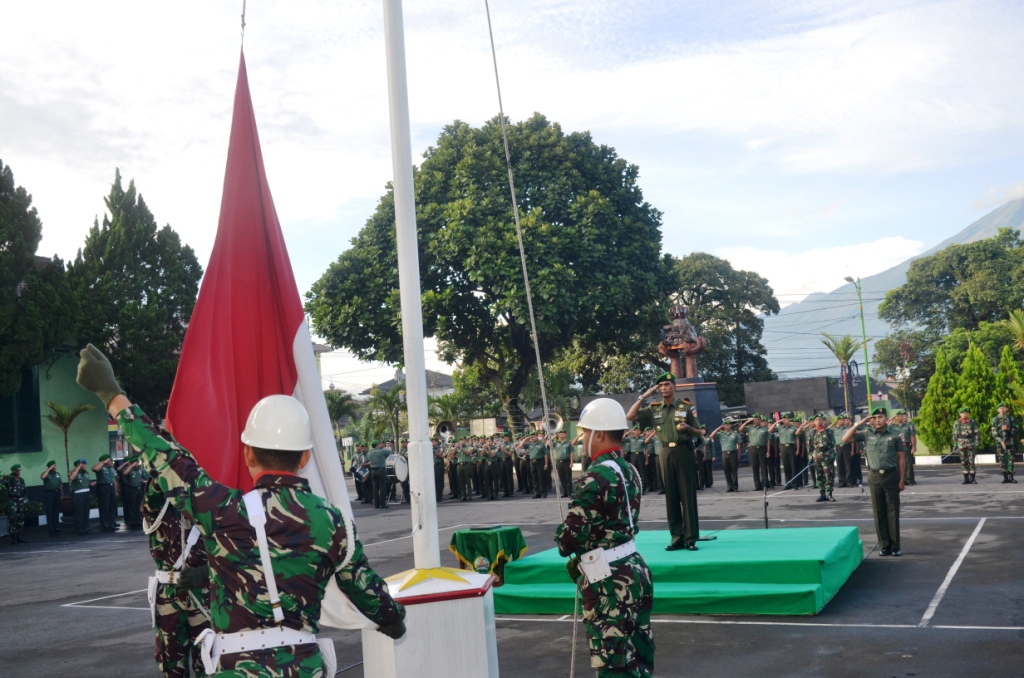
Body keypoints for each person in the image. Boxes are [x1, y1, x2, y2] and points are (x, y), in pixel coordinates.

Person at [77, 344, 405, 675]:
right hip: (303, 666)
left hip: (236, 667)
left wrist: (112, 393)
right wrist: (394, 622)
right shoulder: (333, 522)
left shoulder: (224, 511)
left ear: (248, 453)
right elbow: (367, 590)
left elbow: (168, 459)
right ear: (305, 457)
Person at [556, 398, 654, 678]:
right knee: (638, 656)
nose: (582, 438)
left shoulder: (595, 476)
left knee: (615, 665)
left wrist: (562, 536)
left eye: (585, 432)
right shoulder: (629, 470)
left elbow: (568, 540)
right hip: (634, 568)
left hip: (610, 581)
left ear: (599, 434)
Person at [142, 476, 211, 677]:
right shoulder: (158, 508)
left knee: (208, 661)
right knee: (172, 664)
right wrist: (166, 472)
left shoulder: (209, 508)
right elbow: (150, 498)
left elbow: (228, 551)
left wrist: (204, 573)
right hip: (169, 595)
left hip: (204, 592)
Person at [627, 371, 702, 551]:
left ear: (674, 387)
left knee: (687, 496)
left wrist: (688, 428)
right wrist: (643, 396)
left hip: (684, 451)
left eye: (666, 384)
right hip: (665, 451)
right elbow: (630, 416)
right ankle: (676, 538)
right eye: (660, 386)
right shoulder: (654, 408)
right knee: (671, 497)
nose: (663, 388)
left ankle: (690, 538)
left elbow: (700, 432)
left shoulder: (685, 407)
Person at [843, 407, 907, 556]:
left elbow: (902, 459)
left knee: (892, 511)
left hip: (891, 476)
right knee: (878, 511)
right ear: (870, 420)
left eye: (880, 417)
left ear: (886, 418)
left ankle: (895, 546)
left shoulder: (896, 434)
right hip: (874, 476)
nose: (877, 420)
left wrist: (902, 480)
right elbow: (845, 439)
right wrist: (859, 424)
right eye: (874, 417)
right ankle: (884, 545)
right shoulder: (866, 433)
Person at [800, 413, 836, 503]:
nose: (818, 421)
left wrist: (832, 456)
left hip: (826, 456)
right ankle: (822, 494)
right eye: (817, 419)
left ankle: (829, 494)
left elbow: (833, 445)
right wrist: (811, 457)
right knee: (819, 476)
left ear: (823, 421)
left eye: (820, 419)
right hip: (817, 457)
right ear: (814, 421)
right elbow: (809, 447)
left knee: (828, 476)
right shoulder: (811, 432)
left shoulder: (828, 431)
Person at [708, 419, 741, 492]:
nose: (727, 426)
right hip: (725, 453)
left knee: (734, 471)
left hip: (733, 453)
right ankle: (729, 486)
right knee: (727, 471)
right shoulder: (721, 434)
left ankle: (735, 487)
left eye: (728, 425)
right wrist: (718, 428)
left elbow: (739, 444)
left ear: (730, 425)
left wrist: (739, 454)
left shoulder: (735, 434)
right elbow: (711, 436)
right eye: (725, 425)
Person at [739, 414, 769, 491]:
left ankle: (764, 484)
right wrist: (748, 421)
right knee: (755, 467)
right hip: (753, 449)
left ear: (760, 420)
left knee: (763, 467)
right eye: (755, 419)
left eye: (758, 419)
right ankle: (757, 485)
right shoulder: (750, 428)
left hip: (762, 448)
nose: (756, 421)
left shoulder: (764, 429)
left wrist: (768, 451)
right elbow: (741, 429)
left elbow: (768, 440)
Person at [769, 413, 799, 489]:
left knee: (793, 466)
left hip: (791, 447)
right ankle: (788, 483)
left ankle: (794, 483)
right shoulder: (780, 428)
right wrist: (776, 422)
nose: (786, 420)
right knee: (786, 466)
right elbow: (770, 430)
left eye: (788, 419)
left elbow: (797, 439)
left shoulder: (793, 427)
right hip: (783, 447)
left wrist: (797, 449)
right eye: (785, 419)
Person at [991, 403, 1018, 484]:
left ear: (1007, 409)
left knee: (1010, 459)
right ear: (997, 410)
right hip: (1000, 443)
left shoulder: (1011, 418)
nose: (1002, 410)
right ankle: (1005, 476)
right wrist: (1000, 440)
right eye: (1000, 408)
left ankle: (1011, 476)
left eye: (1004, 408)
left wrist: (1008, 429)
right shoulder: (995, 420)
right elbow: (994, 432)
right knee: (1002, 460)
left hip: (1010, 442)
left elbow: (1015, 430)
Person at [92, 454, 120, 532]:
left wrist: (116, 490)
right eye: (109, 460)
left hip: (111, 487)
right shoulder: (101, 467)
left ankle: (111, 524)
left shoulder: (111, 468)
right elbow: (95, 469)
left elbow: (114, 480)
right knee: (104, 507)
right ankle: (105, 525)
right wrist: (103, 462)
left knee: (112, 506)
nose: (110, 461)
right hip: (103, 487)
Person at [953, 407, 980, 484]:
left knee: (971, 461)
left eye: (966, 413)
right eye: (962, 413)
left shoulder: (972, 422)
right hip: (961, 444)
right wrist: (955, 444)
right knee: (963, 461)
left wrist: (977, 441)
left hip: (970, 443)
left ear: (968, 414)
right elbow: (955, 434)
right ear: (960, 414)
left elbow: (976, 432)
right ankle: (966, 478)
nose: (964, 414)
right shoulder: (957, 423)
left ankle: (973, 478)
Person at [120, 455, 147, 530]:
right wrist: (131, 465)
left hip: (139, 488)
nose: (137, 464)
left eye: (137, 462)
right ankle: (133, 521)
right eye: (136, 462)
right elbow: (125, 473)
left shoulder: (140, 469)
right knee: (132, 505)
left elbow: (143, 477)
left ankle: (138, 520)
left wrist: (143, 481)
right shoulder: (129, 469)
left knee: (138, 505)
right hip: (131, 489)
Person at [3, 464, 28, 544]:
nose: (19, 472)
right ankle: (14, 538)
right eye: (17, 470)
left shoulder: (21, 480)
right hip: (13, 501)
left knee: (20, 520)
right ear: (14, 471)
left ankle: (19, 536)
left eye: (20, 470)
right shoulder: (10, 479)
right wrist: (11, 474)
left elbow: (24, 491)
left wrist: (25, 500)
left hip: (21, 501)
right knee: (13, 519)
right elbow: (3, 481)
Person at [68, 458, 94, 535]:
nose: (84, 465)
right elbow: (71, 477)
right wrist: (77, 468)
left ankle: (86, 527)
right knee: (79, 512)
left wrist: (90, 484)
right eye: (83, 464)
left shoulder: (85, 473)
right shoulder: (75, 472)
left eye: (84, 464)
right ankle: (79, 529)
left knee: (86, 512)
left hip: (86, 492)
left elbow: (85, 482)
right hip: (78, 494)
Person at [40, 460, 64, 535]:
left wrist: (62, 494)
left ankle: (56, 526)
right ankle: (51, 528)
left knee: (56, 510)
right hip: (49, 493)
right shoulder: (46, 474)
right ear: (50, 466)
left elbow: (60, 484)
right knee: (50, 511)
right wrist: (49, 469)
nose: (55, 467)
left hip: (56, 493)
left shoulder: (57, 474)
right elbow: (43, 477)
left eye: (55, 465)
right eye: (53, 465)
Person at [368, 440, 390, 508]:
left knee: (375, 488)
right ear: (377, 445)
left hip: (373, 471)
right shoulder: (382, 451)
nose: (381, 444)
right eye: (380, 444)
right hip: (381, 470)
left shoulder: (369, 453)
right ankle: (382, 504)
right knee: (382, 488)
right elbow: (389, 452)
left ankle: (376, 504)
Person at [552, 431, 573, 498]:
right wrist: (555, 436)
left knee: (568, 478)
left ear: (565, 434)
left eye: (562, 434)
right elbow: (548, 443)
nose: (561, 435)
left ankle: (570, 492)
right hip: (559, 462)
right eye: (560, 434)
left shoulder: (569, 443)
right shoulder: (556, 443)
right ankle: (565, 492)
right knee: (562, 478)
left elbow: (571, 453)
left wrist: (571, 462)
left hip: (566, 462)